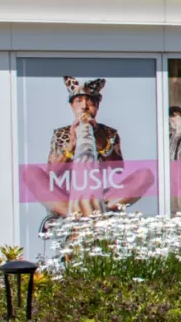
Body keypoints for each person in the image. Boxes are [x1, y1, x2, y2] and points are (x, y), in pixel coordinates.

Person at [45, 77, 125, 219]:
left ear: (97, 106)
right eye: (79, 101)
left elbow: (118, 169)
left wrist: (102, 142)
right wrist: (71, 146)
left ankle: (97, 210)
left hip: (102, 195)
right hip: (67, 196)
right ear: (72, 106)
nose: (84, 107)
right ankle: (73, 213)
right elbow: (52, 173)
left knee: (144, 175)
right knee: (31, 175)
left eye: (90, 102)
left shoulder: (109, 133)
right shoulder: (60, 134)